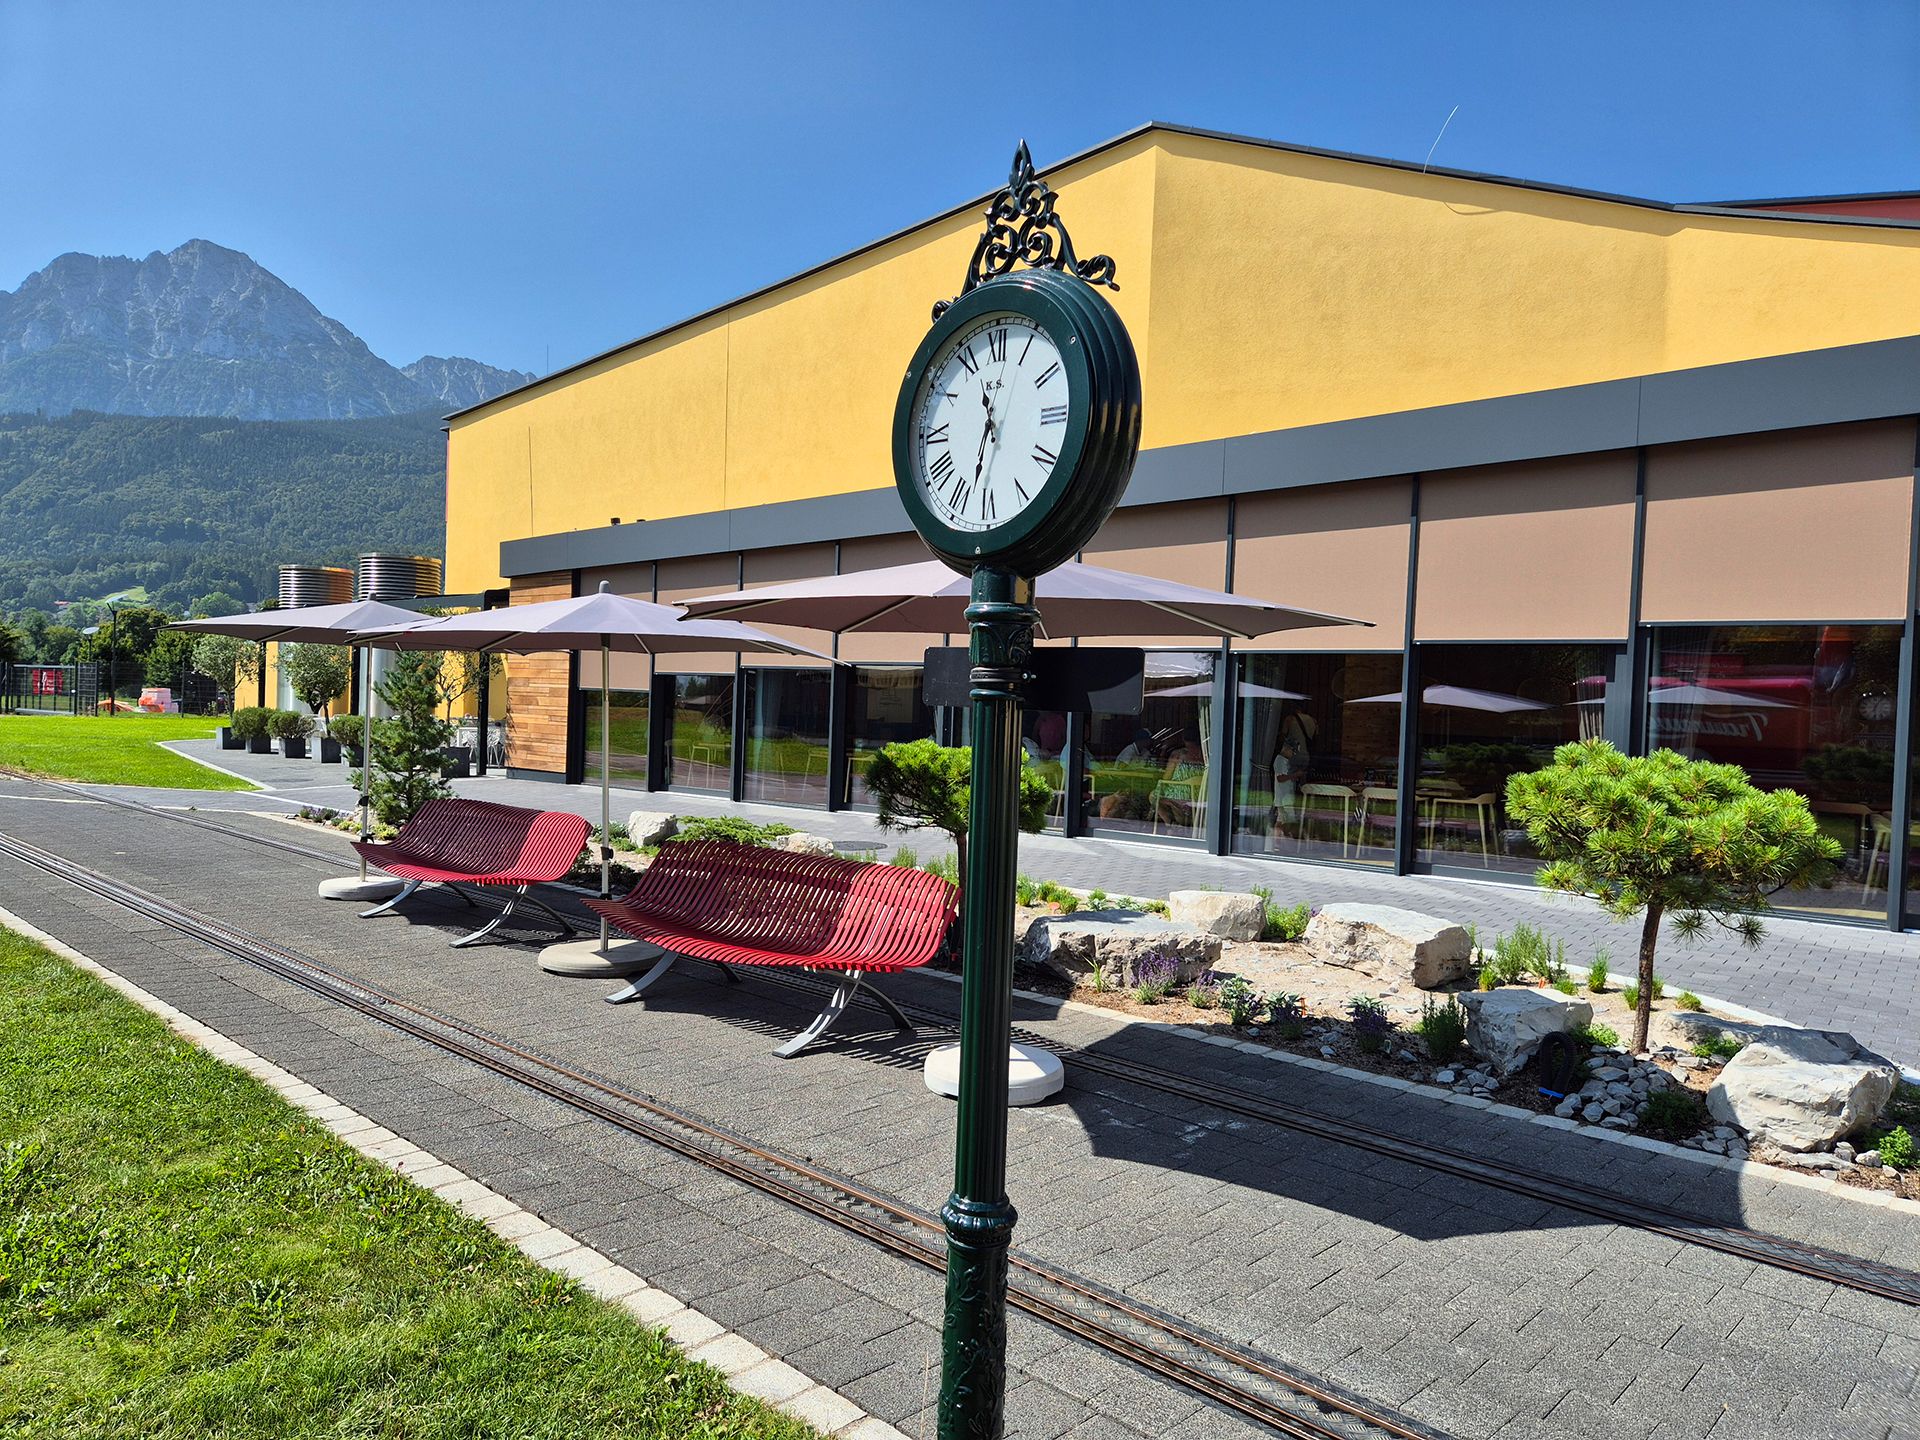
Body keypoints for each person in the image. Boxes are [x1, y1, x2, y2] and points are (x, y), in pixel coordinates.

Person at [1271, 710, 1317, 836]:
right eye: (1293, 752)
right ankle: (1285, 839)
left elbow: (1283, 734)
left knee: (1283, 819)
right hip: (1305, 755)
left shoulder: (1290, 719)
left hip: (1284, 796)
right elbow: (1281, 778)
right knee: (1286, 819)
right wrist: (1295, 775)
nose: (1293, 754)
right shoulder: (1312, 720)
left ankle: (1278, 840)